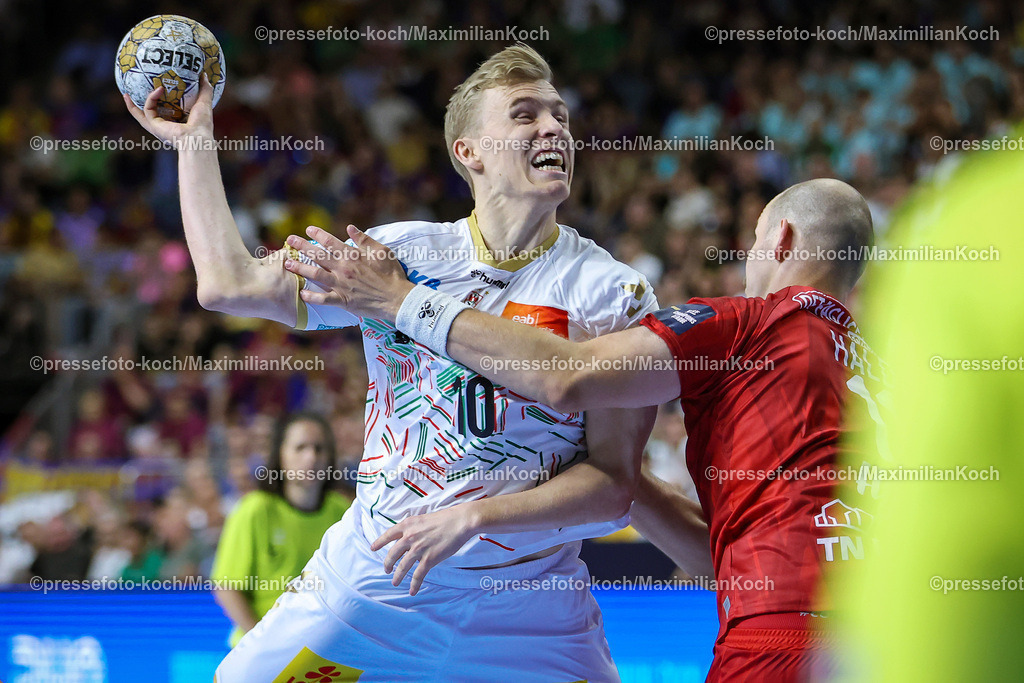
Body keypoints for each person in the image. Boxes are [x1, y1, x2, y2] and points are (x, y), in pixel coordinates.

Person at [126, 44, 661, 682]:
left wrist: (475, 516)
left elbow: (611, 490)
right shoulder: (400, 254)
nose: (554, 129)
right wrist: (195, 140)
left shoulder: (612, 292)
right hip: (373, 588)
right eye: (525, 116)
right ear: (470, 152)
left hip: (528, 611)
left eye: (561, 118)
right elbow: (227, 283)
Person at [285, 177, 885, 681]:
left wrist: (401, 300)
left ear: (779, 240)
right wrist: (606, 470)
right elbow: (723, 558)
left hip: (780, 637)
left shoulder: (748, 322)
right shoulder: (883, 377)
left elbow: (565, 377)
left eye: (753, 244)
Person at [211, 413, 350, 647]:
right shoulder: (254, 510)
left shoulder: (343, 512)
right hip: (260, 651)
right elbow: (227, 588)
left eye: (319, 448)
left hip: (322, 652)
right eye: (300, 447)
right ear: (280, 454)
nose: (311, 457)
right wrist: (263, 643)